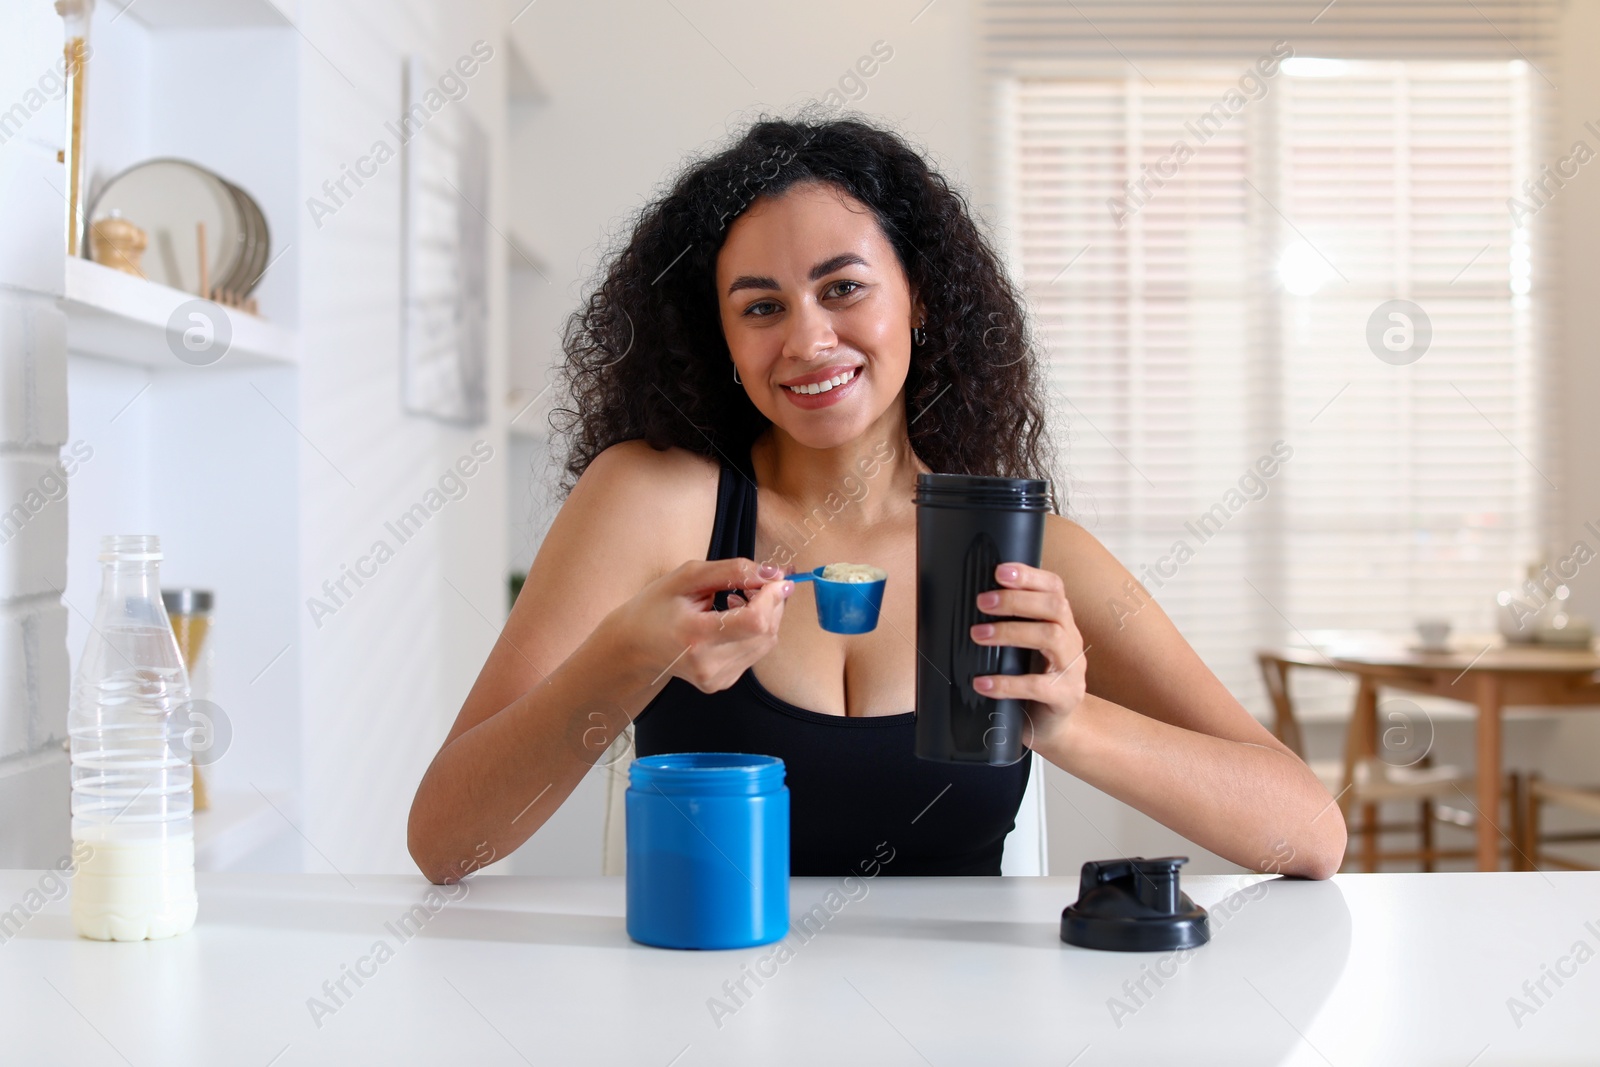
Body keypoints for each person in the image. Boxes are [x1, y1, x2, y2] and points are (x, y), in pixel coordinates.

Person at [407, 116, 1345, 883]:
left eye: (843, 288)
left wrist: (1074, 722)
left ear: (919, 300)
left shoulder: (1027, 549)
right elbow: (447, 841)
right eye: (761, 306)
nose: (809, 340)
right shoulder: (653, 500)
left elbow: (1308, 833)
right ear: (722, 337)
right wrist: (627, 654)